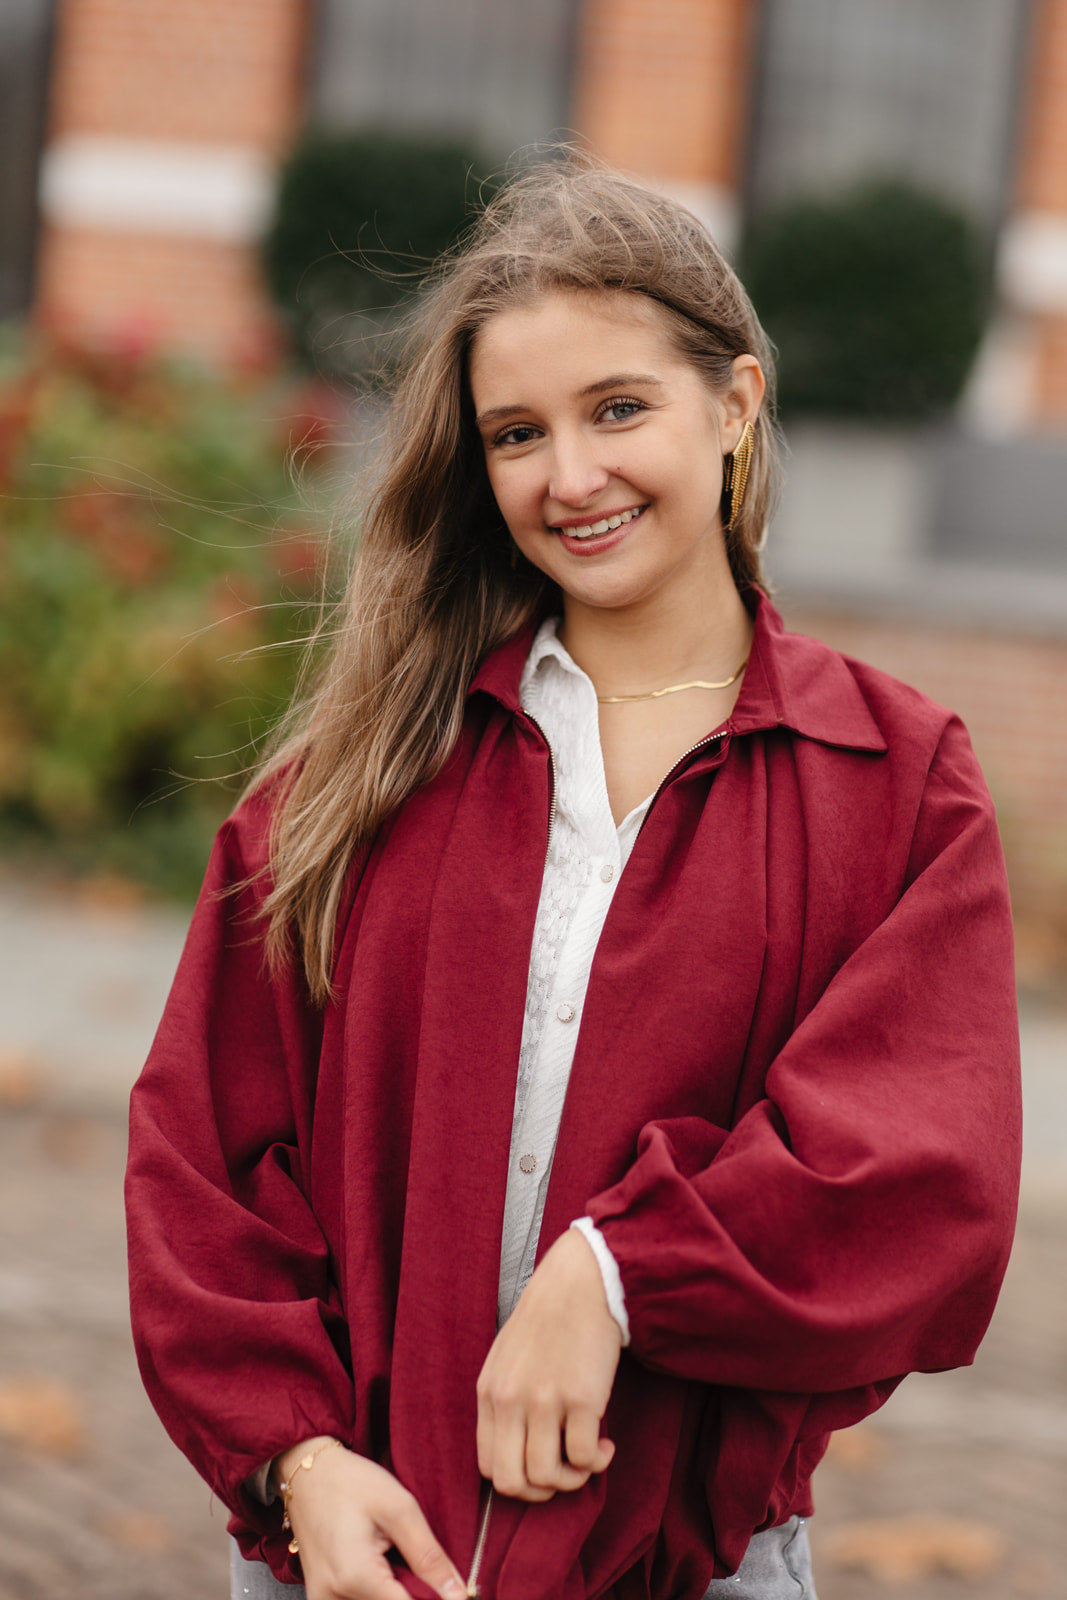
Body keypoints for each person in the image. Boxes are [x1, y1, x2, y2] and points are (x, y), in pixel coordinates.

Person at [125, 155, 1021, 1600]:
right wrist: (295, 1463)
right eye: (516, 434)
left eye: (619, 410)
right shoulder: (362, 777)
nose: (571, 476)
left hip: (694, 1574)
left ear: (734, 404)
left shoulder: (893, 780)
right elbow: (205, 1156)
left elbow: (918, 1173)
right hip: (354, 1566)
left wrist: (617, 1277)